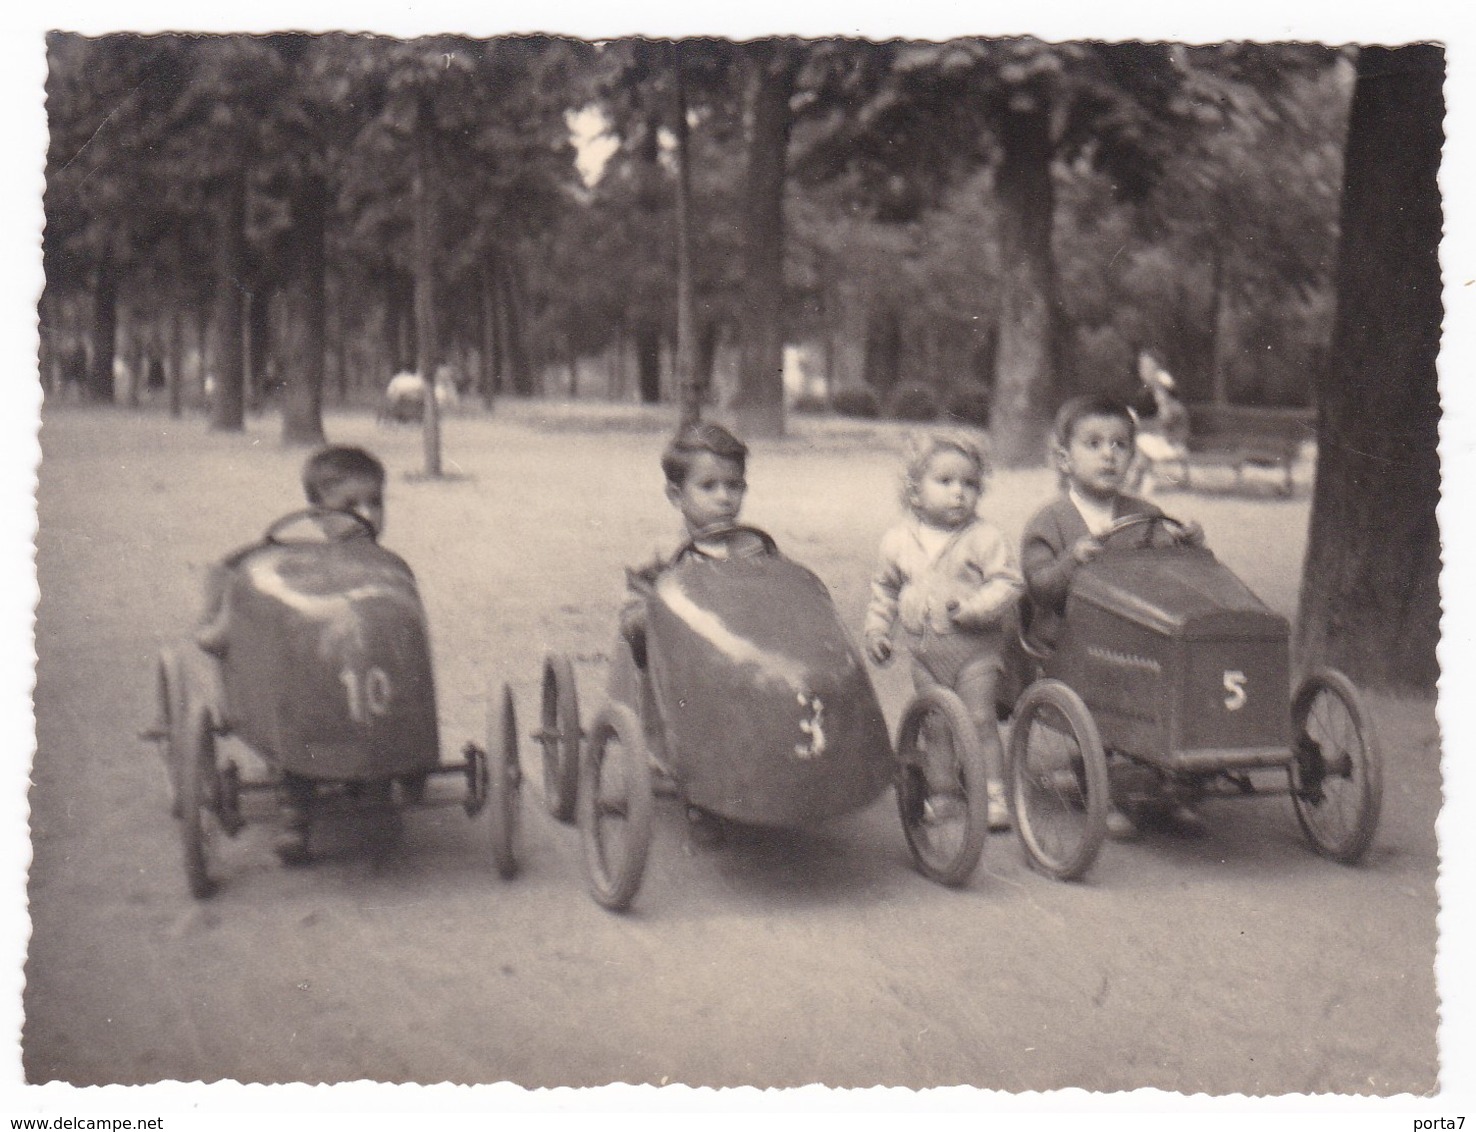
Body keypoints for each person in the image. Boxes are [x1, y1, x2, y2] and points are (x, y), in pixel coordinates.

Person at [1020, 395, 1205, 839]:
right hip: (1070, 637)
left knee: (1185, 675)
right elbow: (1038, 588)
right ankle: (1104, 790)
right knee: (1114, 686)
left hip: (1136, 633)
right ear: (1064, 459)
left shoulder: (1144, 514)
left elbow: (1174, 578)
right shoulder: (1051, 521)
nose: (1109, 454)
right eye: (1094, 444)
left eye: (1120, 445)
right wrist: (1071, 561)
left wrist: (1190, 544)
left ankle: (1174, 787)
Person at [195, 445, 389, 865]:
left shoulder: (386, 565)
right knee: (300, 728)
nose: (368, 516)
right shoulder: (301, 561)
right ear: (318, 514)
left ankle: (378, 783)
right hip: (316, 682)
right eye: (350, 506)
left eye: (376, 502)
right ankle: (295, 814)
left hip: (364, 680)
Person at [863, 430, 1023, 833]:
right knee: (935, 724)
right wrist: (878, 630)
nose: (959, 493)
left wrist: (974, 608)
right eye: (946, 482)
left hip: (975, 652)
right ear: (915, 492)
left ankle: (993, 792)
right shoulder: (898, 540)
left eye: (970, 484)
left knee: (980, 717)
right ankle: (943, 793)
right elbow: (885, 589)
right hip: (924, 653)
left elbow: (1007, 583)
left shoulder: (983, 538)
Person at [620, 421, 764, 844]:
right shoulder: (662, 554)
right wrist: (652, 614)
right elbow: (633, 613)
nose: (724, 497)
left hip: (740, 656)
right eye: (709, 486)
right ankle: (701, 797)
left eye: (734, 486)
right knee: (700, 704)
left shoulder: (754, 548)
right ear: (676, 495)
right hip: (683, 666)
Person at [1129, 352, 1190, 495]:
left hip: (1172, 445)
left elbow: (1168, 427)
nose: (1158, 395)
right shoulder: (1163, 405)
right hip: (1160, 442)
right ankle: (1141, 482)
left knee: (1142, 443)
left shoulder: (1173, 408)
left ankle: (1140, 482)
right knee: (1142, 444)